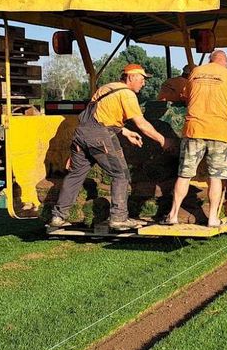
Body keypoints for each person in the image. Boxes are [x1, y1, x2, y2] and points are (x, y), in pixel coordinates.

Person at [50, 64, 169, 230]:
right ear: (132, 77)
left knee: (75, 175)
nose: (144, 84)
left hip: (81, 135)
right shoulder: (127, 94)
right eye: (142, 79)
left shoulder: (107, 88)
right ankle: (119, 218)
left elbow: (99, 115)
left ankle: (58, 216)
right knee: (120, 174)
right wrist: (163, 140)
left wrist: (125, 131)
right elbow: (141, 124)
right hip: (99, 137)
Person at [164, 50, 227, 227]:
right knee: (215, 177)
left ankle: (173, 215)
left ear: (210, 60)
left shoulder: (195, 72)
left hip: (193, 130)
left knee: (184, 175)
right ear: (225, 62)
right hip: (218, 133)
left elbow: (185, 96)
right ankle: (213, 219)